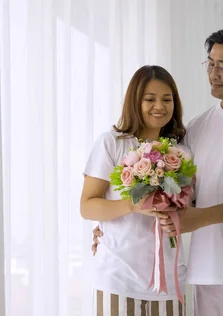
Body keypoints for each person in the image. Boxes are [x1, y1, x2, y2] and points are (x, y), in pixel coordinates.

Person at [93, 28, 223, 316]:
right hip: (208, 272)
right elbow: (178, 196)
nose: (213, 73)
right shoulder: (195, 129)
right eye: (210, 63)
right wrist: (110, 223)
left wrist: (196, 219)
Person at [81, 65, 187, 316]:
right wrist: (132, 205)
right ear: (134, 102)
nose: (159, 106)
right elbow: (87, 206)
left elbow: (190, 208)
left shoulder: (183, 151)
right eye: (149, 99)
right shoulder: (112, 143)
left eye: (167, 99)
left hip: (169, 280)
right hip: (118, 277)